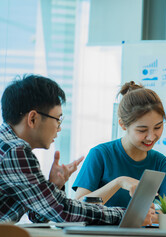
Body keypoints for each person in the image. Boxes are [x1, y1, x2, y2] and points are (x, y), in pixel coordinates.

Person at [0, 74, 154, 225]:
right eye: (57, 119)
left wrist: (53, 185)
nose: (59, 129)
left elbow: (39, 215)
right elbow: (63, 212)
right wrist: (126, 214)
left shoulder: (8, 145)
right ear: (33, 118)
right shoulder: (15, 152)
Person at [73, 81, 166, 212]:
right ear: (122, 124)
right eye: (142, 130)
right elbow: (77, 206)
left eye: (158, 127)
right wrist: (119, 182)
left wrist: (152, 215)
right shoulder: (100, 154)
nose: (151, 137)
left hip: (143, 232)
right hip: (101, 232)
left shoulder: (161, 163)